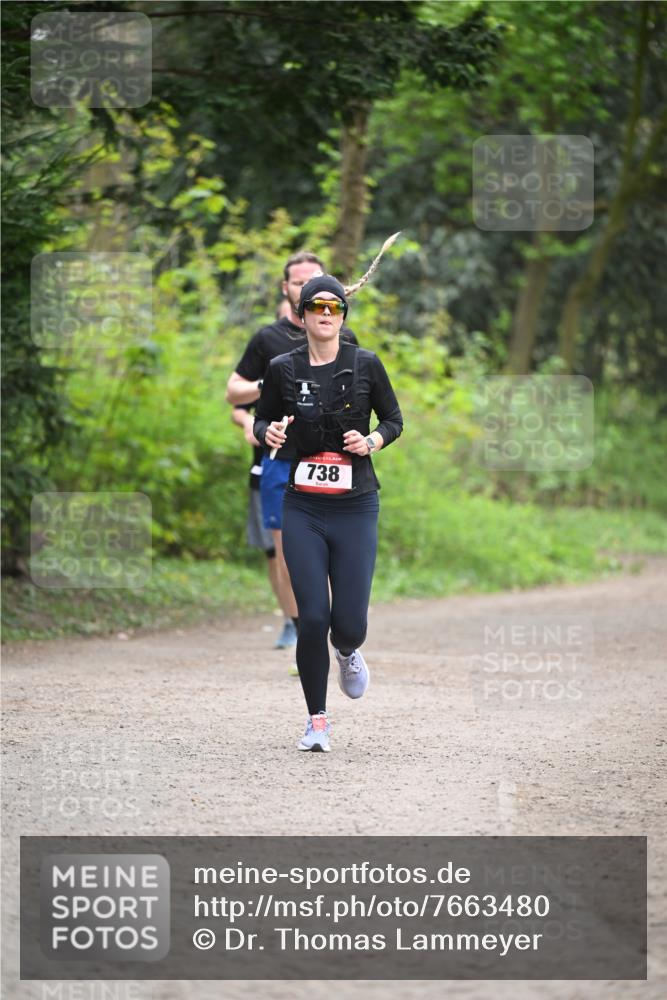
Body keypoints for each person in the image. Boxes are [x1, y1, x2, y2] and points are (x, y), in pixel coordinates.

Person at [254, 272, 403, 752]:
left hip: (356, 505)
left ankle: (348, 651)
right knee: (312, 616)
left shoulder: (366, 364)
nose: (324, 314)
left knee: (349, 625)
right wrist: (267, 434)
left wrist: (372, 440)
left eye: (333, 307)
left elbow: (394, 419)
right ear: (300, 316)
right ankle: (316, 721)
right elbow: (261, 417)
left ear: (342, 315)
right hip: (303, 506)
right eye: (315, 307)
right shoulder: (282, 367)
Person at [226, 252, 358, 650]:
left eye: (314, 280)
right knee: (284, 554)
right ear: (287, 289)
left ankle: (336, 630)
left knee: (333, 553)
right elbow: (234, 396)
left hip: (332, 462)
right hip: (280, 462)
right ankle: (304, 631)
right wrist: (264, 403)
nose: (306, 288)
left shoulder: (346, 338)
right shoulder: (269, 340)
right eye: (298, 283)